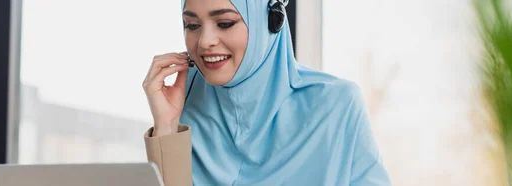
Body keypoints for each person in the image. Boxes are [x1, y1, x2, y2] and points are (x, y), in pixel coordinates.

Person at [141, 0, 392, 185]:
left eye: (225, 23)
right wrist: (166, 126)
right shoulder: (185, 97)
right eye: (192, 25)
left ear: (272, 20)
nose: (205, 41)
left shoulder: (337, 106)